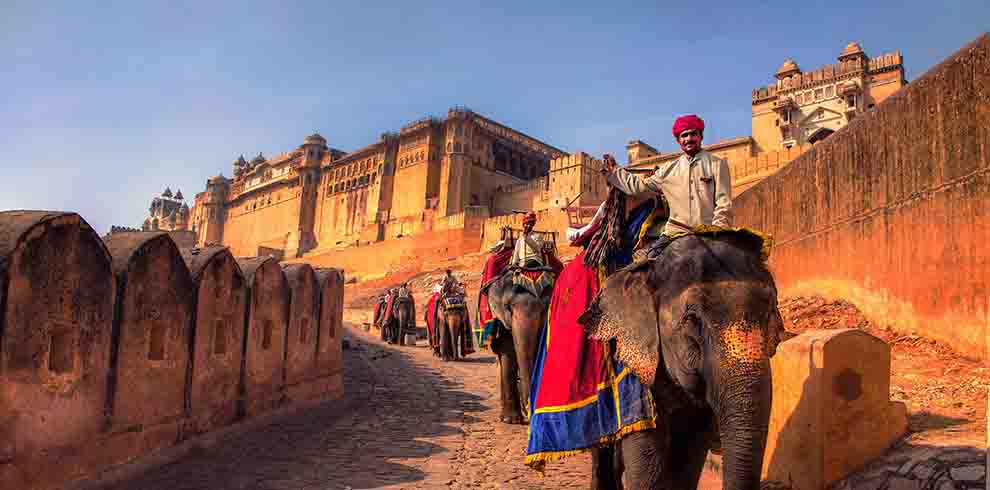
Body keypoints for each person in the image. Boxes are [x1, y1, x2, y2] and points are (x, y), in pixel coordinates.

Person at [601, 114, 733, 258]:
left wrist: (718, 232)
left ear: (700, 136)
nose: (688, 139)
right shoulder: (669, 170)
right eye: (684, 135)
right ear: (678, 140)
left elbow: (723, 203)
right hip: (675, 234)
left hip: (709, 233)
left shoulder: (717, 165)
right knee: (643, 265)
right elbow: (639, 188)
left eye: (693, 134)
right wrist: (614, 172)